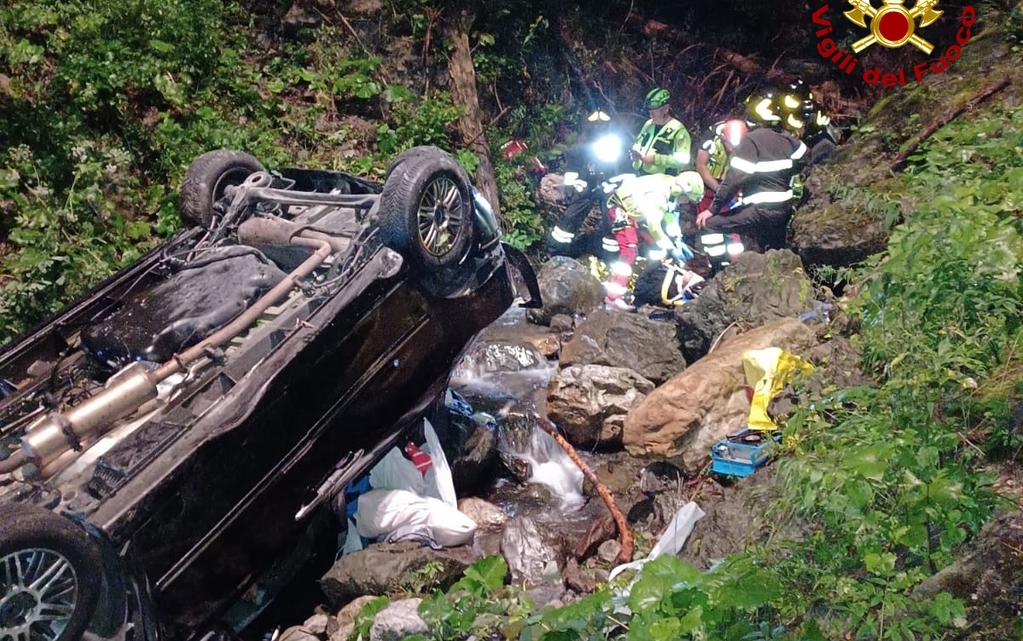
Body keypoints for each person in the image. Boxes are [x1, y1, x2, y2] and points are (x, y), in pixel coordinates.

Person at [695, 98, 807, 253]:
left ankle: (720, 269)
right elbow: (805, 158)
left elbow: (734, 179)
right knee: (773, 249)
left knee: (709, 225)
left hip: (759, 211)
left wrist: (712, 209)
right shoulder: (787, 138)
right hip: (784, 210)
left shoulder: (751, 140)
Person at [602, 171, 704, 310]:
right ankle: (613, 297)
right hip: (620, 208)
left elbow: (670, 217)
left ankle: (650, 279)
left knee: (655, 246)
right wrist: (670, 247)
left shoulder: (670, 187)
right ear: (682, 190)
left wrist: (677, 239)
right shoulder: (660, 196)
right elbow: (654, 226)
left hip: (637, 213)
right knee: (629, 250)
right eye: (686, 198)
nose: (686, 202)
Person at [548, 109, 632, 260]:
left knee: (611, 222)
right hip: (588, 185)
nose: (599, 127)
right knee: (570, 217)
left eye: (602, 124)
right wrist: (576, 182)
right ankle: (555, 252)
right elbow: (573, 163)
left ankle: (611, 257)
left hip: (609, 187)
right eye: (596, 124)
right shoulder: (583, 141)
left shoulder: (616, 141)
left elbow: (624, 165)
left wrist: (617, 183)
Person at [630, 88, 692, 177]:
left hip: (663, 181)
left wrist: (656, 159)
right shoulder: (648, 124)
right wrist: (635, 155)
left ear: (665, 109)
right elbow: (638, 143)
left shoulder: (678, 130)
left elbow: (683, 159)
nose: (651, 115)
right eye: (649, 111)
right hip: (641, 176)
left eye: (654, 111)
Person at [695, 119, 747, 212]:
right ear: (723, 137)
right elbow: (700, 165)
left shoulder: (749, 141)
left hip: (732, 186)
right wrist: (719, 190)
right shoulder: (711, 135)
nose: (732, 148)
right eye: (729, 144)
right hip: (709, 184)